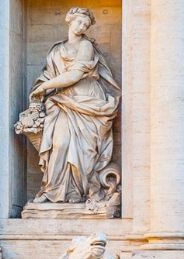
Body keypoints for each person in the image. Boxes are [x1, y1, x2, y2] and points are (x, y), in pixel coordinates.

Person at [29, 7, 119, 207]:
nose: (82, 26)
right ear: (69, 20)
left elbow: (75, 75)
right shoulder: (56, 50)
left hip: (87, 100)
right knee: (59, 144)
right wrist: (42, 87)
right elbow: (50, 74)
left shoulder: (86, 45)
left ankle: (78, 192)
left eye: (86, 25)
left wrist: (44, 87)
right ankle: (52, 190)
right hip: (63, 101)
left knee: (84, 151)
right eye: (79, 22)